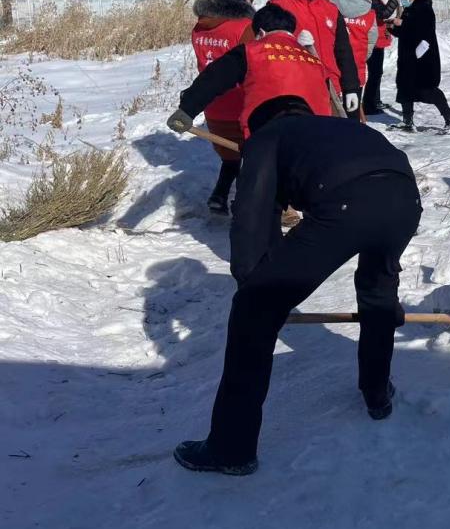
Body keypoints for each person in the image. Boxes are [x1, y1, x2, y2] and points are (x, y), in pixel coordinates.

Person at [167, 98, 422, 475]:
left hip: (347, 201)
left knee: (253, 312)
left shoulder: (268, 138)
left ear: (260, 125)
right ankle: (377, 393)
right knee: (377, 293)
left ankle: (230, 448)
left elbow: (253, 217)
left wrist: (256, 291)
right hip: (405, 199)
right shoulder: (339, 129)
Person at [168, 3, 334, 140]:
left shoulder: (251, 51)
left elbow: (215, 77)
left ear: (260, 32)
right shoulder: (314, 60)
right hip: (317, 140)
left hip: (268, 140)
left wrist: (187, 109)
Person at [189, 0, 256, 214]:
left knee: (230, 155)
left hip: (213, 107)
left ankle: (219, 196)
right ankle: (245, 205)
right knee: (252, 158)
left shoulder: (202, 26)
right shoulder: (246, 28)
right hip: (241, 106)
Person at [269, 0, 361, 116]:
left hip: (331, 88)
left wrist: (351, 87)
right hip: (296, 93)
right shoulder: (278, 8)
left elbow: (343, 51)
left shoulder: (330, 9)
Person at [390, 0, 450, 134]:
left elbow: (422, 30)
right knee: (405, 89)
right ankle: (407, 121)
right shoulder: (409, 9)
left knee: (429, 91)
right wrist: (391, 28)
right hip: (408, 59)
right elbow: (405, 32)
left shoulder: (424, 8)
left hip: (423, 60)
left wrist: (403, 24)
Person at [326, 0, 378, 108]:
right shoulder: (368, 10)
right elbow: (372, 39)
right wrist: (361, 56)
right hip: (356, 67)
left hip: (331, 66)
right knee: (352, 114)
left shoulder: (327, 5)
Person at [360, 0, 396, 116]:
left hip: (369, 36)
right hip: (374, 39)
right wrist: (394, 0)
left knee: (375, 72)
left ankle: (375, 100)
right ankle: (369, 104)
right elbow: (383, 14)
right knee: (375, 73)